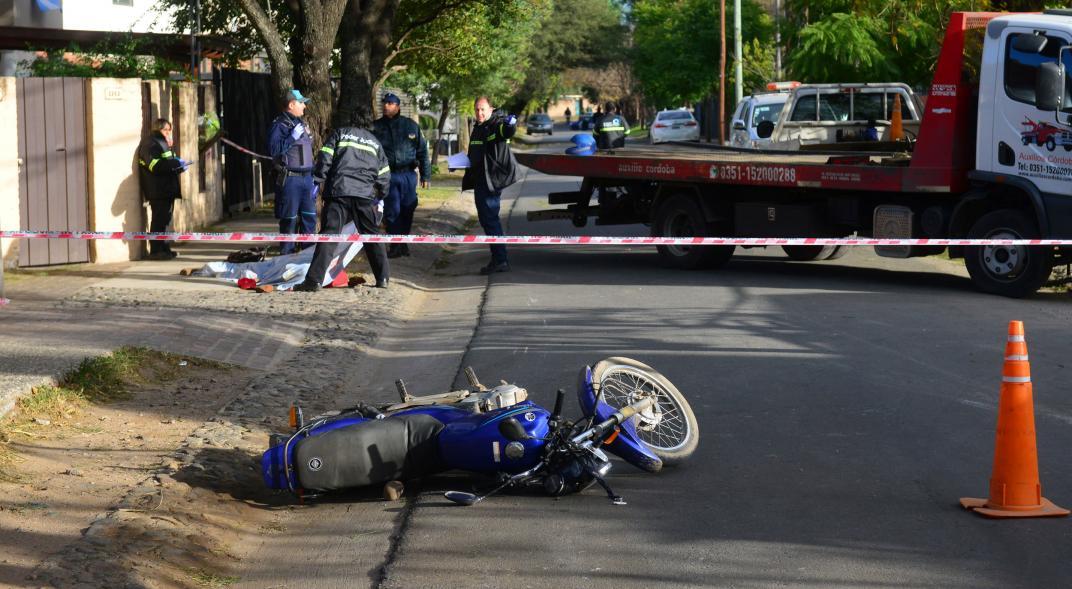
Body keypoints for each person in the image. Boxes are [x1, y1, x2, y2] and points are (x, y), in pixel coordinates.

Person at [293, 110, 392, 292]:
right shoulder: (375, 143)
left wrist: (318, 179)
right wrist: (381, 195)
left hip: (339, 193)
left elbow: (325, 158)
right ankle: (383, 278)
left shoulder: (340, 134)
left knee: (329, 237)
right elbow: (384, 173)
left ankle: (314, 281)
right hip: (364, 196)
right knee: (372, 237)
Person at [463, 97, 519, 275]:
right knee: (487, 220)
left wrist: (510, 125)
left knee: (491, 220)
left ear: (491, 109)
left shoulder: (495, 124)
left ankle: (500, 260)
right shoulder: (479, 127)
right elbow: (477, 152)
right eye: (477, 109)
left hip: (490, 181)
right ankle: (498, 258)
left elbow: (505, 131)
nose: (479, 113)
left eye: (482, 110)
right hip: (481, 180)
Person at [372, 92, 430, 259]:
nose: (386, 106)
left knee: (408, 208)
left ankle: (403, 243)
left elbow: (422, 152)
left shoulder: (410, 126)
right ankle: (395, 245)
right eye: (385, 103)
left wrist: (426, 176)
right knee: (392, 211)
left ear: (398, 107)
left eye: (390, 103)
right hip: (388, 175)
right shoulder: (376, 127)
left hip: (408, 175)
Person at [268, 89, 318, 255]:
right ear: (291, 104)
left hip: (307, 179)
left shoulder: (301, 124)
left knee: (309, 218)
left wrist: (314, 178)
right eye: (301, 102)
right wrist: (291, 138)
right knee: (289, 219)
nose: (304, 106)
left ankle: (308, 256)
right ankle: (287, 258)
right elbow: (274, 150)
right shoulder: (280, 125)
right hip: (290, 179)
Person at [137, 118, 188, 260]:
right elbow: (155, 165)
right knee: (159, 220)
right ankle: (156, 250)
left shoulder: (162, 143)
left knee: (165, 220)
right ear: (157, 129)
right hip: (157, 189)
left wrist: (179, 166)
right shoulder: (151, 144)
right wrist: (175, 163)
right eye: (165, 130)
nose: (168, 133)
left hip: (166, 188)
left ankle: (165, 248)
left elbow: (167, 164)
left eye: (169, 130)